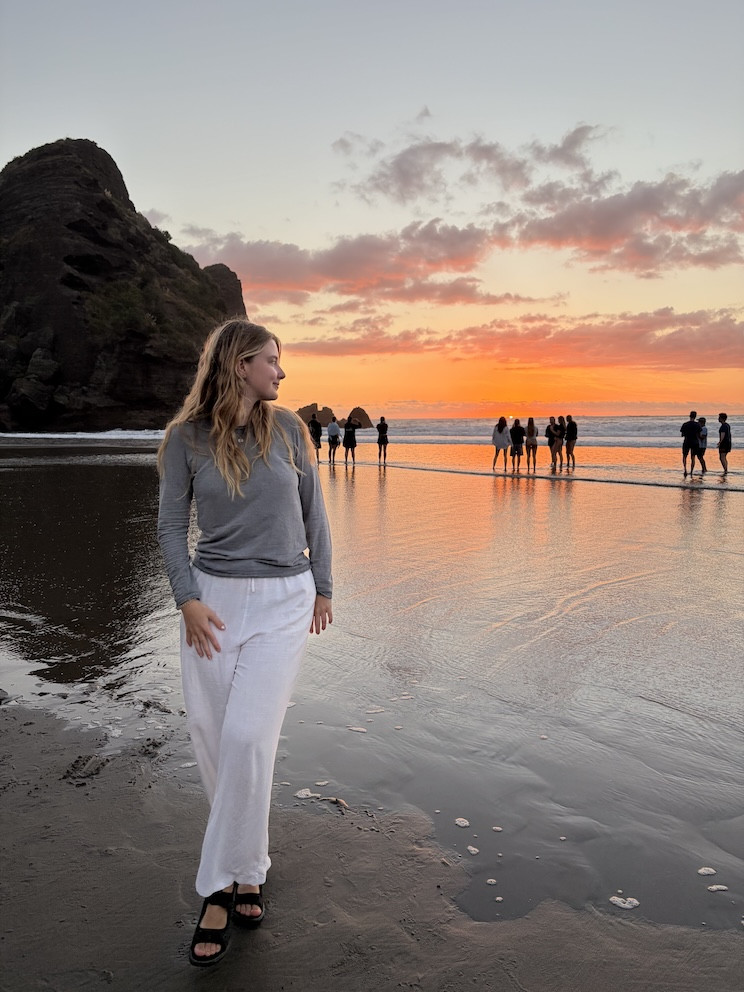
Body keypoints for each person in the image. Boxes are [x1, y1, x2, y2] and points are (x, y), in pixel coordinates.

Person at [157, 318, 333, 968]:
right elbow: (172, 525)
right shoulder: (185, 439)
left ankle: (215, 890)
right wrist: (187, 599)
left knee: (247, 738)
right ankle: (249, 864)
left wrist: (325, 585)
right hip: (214, 604)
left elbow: (315, 511)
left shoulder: (290, 429)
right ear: (239, 365)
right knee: (212, 735)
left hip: (284, 601)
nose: (281, 373)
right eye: (271, 360)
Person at [680, 410, 701, 477]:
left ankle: (685, 469)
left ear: (689, 416)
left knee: (684, 456)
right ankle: (691, 471)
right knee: (693, 457)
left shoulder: (685, 424)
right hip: (695, 442)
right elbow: (699, 435)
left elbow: (682, 434)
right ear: (695, 416)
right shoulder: (697, 424)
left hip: (687, 441)